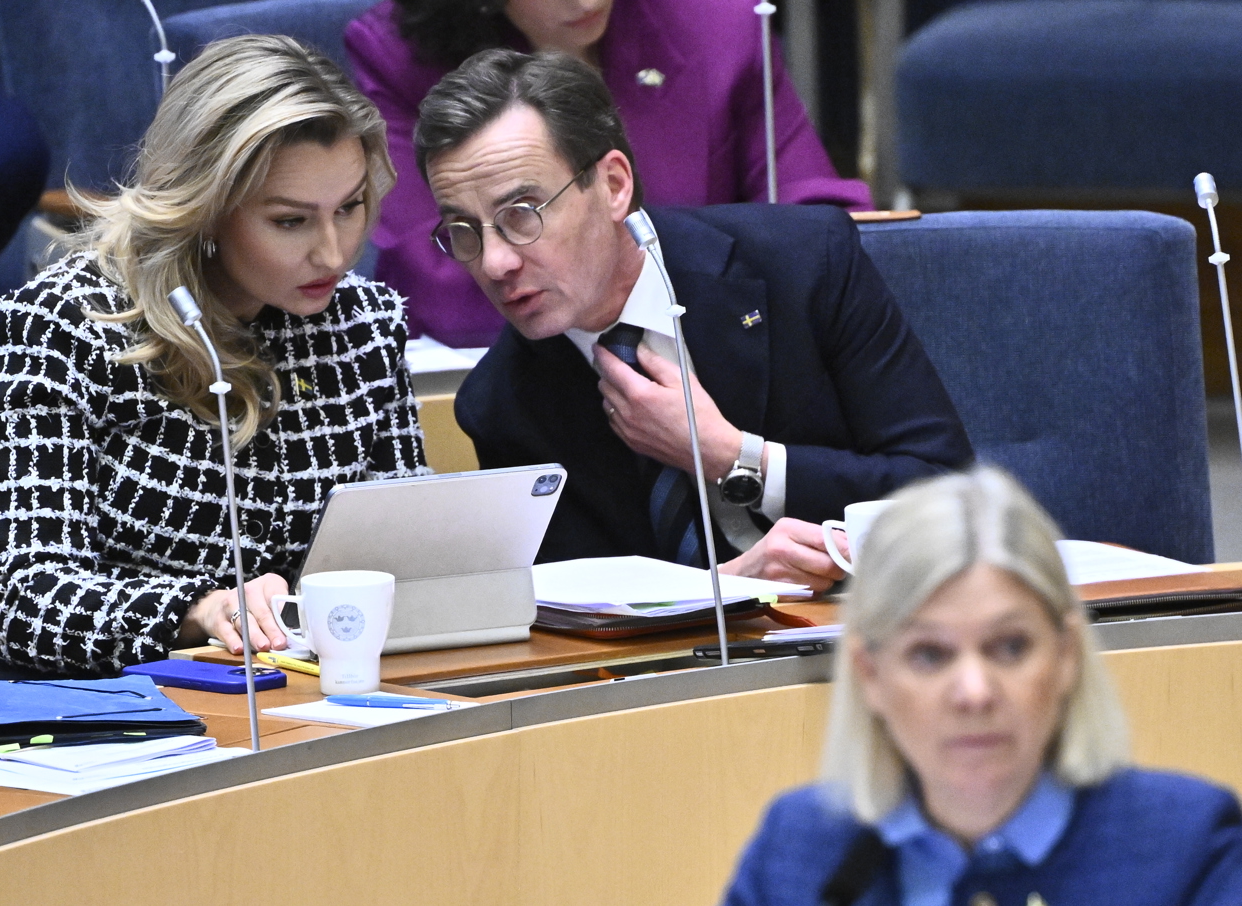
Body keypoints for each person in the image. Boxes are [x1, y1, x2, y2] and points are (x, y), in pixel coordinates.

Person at [0, 35, 428, 683]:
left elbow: (406, 544)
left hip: (277, 675)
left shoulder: (363, 323)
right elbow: (23, 599)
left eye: (350, 207)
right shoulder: (63, 325)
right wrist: (198, 609)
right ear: (206, 209)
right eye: (291, 221)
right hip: (64, 685)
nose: (334, 253)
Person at [417, 49, 971, 590]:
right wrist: (723, 586)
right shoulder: (501, 403)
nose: (494, 263)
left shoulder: (803, 263)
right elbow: (578, 607)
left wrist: (734, 456)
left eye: (521, 215)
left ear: (613, 186)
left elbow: (952, 496)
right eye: (463, 230)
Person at [723, 467, 1242, 905]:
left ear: (1066, 657)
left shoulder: (1189, 846)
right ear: (870, 675)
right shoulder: (796, 853)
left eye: (1010, 647)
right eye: (930, 654)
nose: (974, 692)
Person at [344, 0, 872, 347]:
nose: (585, 2)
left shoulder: (719, 25)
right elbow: (434, 271)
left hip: (724, 351)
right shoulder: (401, 56)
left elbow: (816, 221)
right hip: (522, 379)